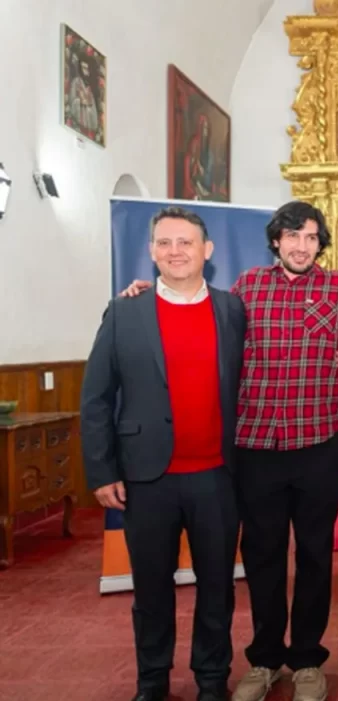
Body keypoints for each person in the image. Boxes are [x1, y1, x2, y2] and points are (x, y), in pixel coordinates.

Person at [119, 201, 338, 701]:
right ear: (276, 241)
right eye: (292, 237)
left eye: (311, 238)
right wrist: (146, 292)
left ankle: (309, 659)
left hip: (315, 444)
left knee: (315, 557)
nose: (301, 246)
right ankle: (266, 658)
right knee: (263, 557)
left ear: (320, 244)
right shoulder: (245, 289)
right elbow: (192, 305)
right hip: (256, 447)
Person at [80, 206, 246, 701]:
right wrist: (101, 469)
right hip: (146, 479)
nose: (176, 252)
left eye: (186, 242)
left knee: (217, 589)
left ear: (207, 251)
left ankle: (212, 681)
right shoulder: (125, 311)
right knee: (151, 592)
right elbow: (95, 397)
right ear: (152, 250)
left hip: (217, 476)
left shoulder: (232, 310)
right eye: (166, 243)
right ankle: (152, 682)